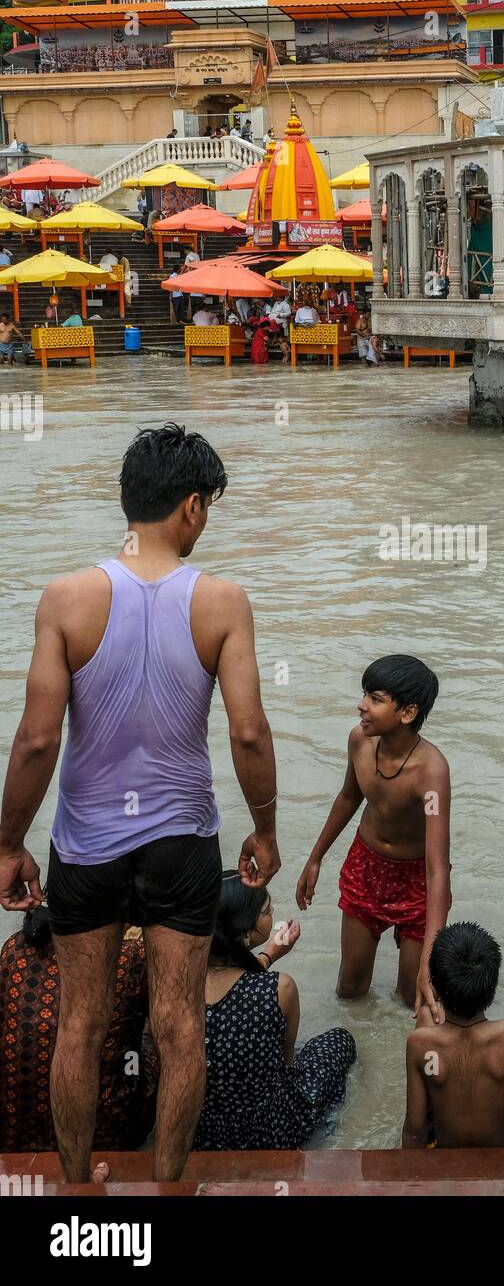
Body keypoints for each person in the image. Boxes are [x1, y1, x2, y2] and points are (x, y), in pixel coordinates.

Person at [0, 423, 281, 1184]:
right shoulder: (223, 603)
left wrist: (8, 842)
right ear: (191, 507)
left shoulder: (67, 598)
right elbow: (249, 732)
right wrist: (265, 827)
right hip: (182, 841)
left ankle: (74, 1187)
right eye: (208, 506)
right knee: (179, 1026)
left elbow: (35, 741)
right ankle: (166, 1185)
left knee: (80, 1024)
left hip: (87, 842)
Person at [296, 655, 451, 1016]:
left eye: (376, 699)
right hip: (365, 867)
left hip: (416, 881)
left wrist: (432, 953)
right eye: (365, 694)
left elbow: (438, 867)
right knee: (350, 987)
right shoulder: (360, 743)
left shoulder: (431, 772)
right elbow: (349, 797)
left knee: (413, 997)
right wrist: (315, 858)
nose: (361, 705)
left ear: (408, 712)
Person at [194, 874, 356, 1151]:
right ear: (246, 930)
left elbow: (230, 984)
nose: (272, 913)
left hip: (201, 1132)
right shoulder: (281, 988)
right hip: (272, 1132)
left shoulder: (182, 986)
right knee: (339, 1040)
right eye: (266, 910)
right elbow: (286, 1062)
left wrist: (269, 954)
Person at [0, 905, 156, 1152]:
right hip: (101, 1130)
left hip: (15, 1124)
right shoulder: (129, 957)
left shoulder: (14, 948)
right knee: (144, 1042)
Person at [403, 923, 504, 1150]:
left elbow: (415, 1131)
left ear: (436, 985)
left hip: (444, 1147)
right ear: (492, 986)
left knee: (426, 1015)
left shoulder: (419, 1043)